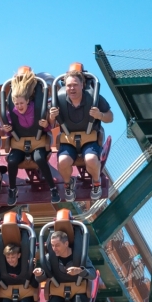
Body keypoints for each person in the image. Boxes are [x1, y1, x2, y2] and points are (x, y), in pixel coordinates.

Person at [49, 69, 113, 202]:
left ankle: (96, 182)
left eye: (75, 85)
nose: (72, 88)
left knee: (90, 159)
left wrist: (100, 115)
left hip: (89, 137)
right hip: (68, 139)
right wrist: (52, 117)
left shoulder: (93, 98)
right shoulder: (59, 99)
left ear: (82, 85)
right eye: (69, 85)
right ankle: (68, 183)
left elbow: (110, 117)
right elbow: (49, 123)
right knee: (62, 161)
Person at [2, 69, 60, 207]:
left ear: (28, 101)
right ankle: (12, 189)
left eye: (22, 103)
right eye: (16, 104)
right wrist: (7, 130)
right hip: (19, 142)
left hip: (38, 140)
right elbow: (9, 131)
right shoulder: (12, 113)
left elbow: (48, 127)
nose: (19, 106)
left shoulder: (37, 108)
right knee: (12, 161)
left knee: (39, 158)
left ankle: (53, 188)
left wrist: (46, 125)